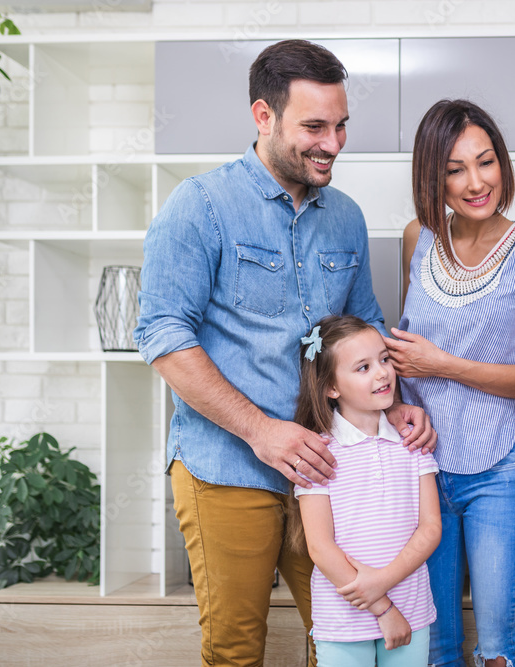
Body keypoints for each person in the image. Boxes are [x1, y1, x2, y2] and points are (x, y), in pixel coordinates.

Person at [133, 39, 434, 667]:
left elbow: (363, 329)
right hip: (226, 466)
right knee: (236, 650)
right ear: (263, 117)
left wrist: (395, 401)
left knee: (343, 639)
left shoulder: (345, 217)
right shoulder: (200, 206)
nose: (333, 143)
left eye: (342, 125)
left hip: (329, 474)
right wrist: (263, 431)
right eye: (315, 126)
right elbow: (163, 335)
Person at [385, 99, 515, 667]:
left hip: (500, 468)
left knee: (497, 651)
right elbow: (402, 347)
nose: (476, 181)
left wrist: (443, 365)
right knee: (433, 648)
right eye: (455, 169)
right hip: (422, 467)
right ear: (432, 177)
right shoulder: (418, 238)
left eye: (486, 162)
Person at [292, 315, 441, 667]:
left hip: (411, 610)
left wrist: (382, 584)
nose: (382, 373)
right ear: (331, 387)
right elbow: (321, 547)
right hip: (343, 619)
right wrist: (382, 606)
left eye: (384, 359)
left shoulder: (412, 442)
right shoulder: (318, 453)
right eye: (363, 367)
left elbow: (431, 528)